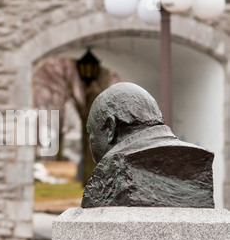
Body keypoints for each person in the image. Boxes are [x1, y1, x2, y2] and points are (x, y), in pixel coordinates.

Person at [81, 82, 214, 208]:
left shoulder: (116, 170)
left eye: (91, 132)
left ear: (110, 129)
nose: (90, 141)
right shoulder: (198, 158)